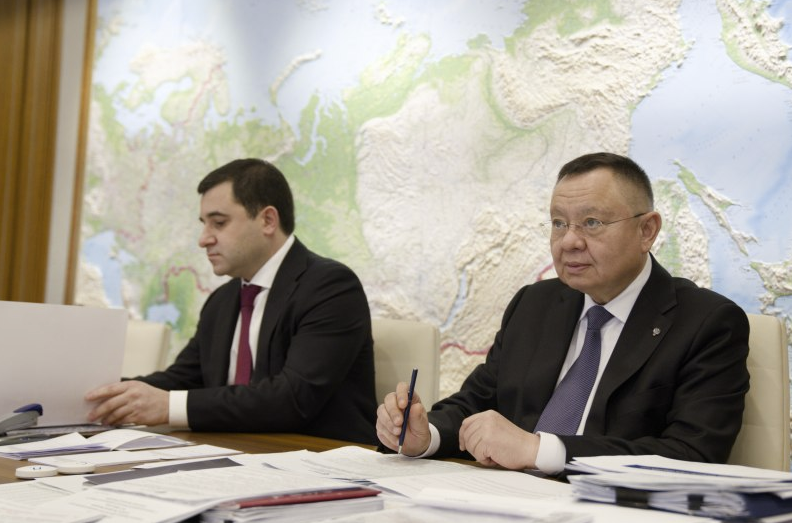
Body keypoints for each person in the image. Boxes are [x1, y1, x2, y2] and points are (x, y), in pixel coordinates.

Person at [376, 152, 750, 474]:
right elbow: (476, 402)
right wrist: (427, 435)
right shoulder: (534, 304)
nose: (569, 241)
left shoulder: (707, 323)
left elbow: (692, 455)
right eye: (559, 223)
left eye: (592, 223)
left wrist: (540, 451)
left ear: (647, 231)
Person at [86, 158, 378, 444]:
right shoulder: (222, 300)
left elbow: (293, 398)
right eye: (204, 224)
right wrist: (98, 395)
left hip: (320, 456)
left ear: (267, 220)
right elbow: (183, 379)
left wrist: (168, 406)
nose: (203, 239)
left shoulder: (330, 287)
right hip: (235, 451)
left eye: (219, 223)